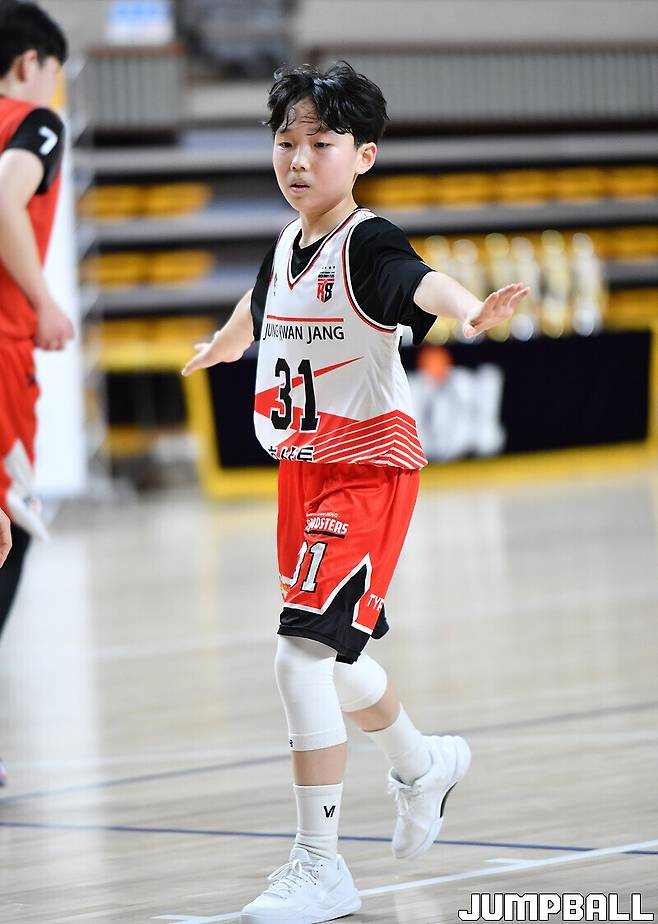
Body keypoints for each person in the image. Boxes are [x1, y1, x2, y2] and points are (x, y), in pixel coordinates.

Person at [183, 61, 529, 924]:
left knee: (297, 656)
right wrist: (225, 343)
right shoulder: (284, 244)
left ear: (364, 155)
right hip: (303, 469)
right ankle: (423, 763)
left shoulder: (367, 244)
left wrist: (468, 309)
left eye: (321, 143)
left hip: (367, 469)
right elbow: (260, 306)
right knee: (334, 657)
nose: (298, 159)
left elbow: (419, 280)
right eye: (285, 142)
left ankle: (320, 865)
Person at [0, 0, 73, 785]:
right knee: (9, 527)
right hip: (3, 350)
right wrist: (44, 301)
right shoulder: (35, 122)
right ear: (31, 63)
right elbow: (4, 202)